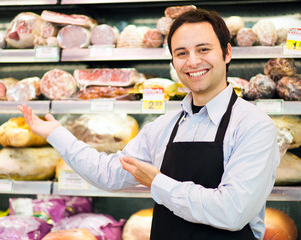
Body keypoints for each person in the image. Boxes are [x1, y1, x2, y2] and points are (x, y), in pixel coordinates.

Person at [18, 9, 279, 240]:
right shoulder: (163, 127)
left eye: (203, 49)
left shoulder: (253, 126)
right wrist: (56, 134)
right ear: (173, 62)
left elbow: (232, 212)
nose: (192, 62)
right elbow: (108, 173)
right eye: (181, 53)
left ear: (227, 52)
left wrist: (158, 183)